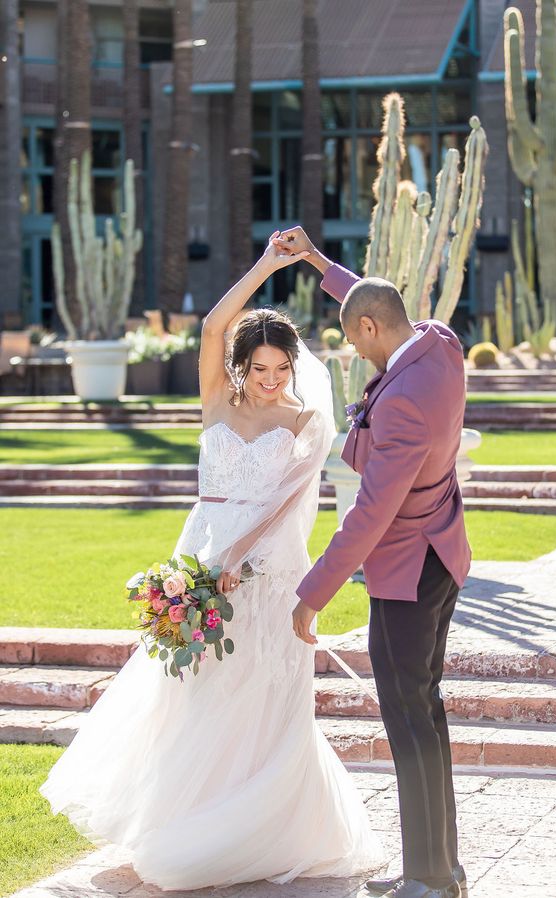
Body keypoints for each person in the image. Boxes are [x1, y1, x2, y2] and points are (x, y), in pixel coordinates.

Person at [39, 232, 383, 891]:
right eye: (260, 369)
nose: (272, 380)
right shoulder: (217, 400)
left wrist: (240, 556)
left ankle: (263, 828)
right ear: (240, 367)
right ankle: (188, 816)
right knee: (195, 690)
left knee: (264, 692)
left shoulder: (304, 419)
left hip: (268, 565)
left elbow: (287, 504)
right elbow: (213, 325)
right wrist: (267, 264)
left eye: (281, 368)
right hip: (199, 555)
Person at [276, 227, 471, 898]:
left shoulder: (405, 403)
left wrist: (312, 593)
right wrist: (317, 262)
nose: (356, 352)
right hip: (441, 554)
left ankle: (428, 878)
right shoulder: (440, 343)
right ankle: (442, 869)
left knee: (410, 722)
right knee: (426, 714)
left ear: (369, 328)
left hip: (408, 572)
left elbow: (370, 515)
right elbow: (377, 300)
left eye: (355, 339)